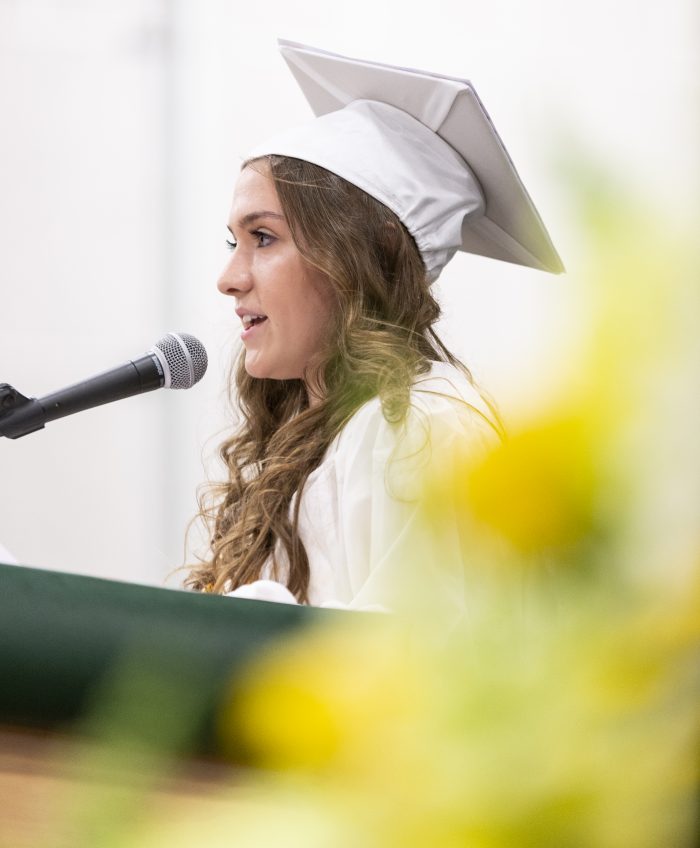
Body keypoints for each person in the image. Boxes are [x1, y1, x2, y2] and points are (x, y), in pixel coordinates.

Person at [185, 41, 563, 612]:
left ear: (361, 256)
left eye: (263, 238)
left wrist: (257, 634)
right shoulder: (324, 438)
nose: (229, 278)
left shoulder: (423, 428)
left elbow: (416, 674)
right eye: (233, 242)